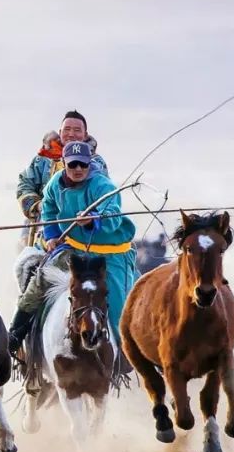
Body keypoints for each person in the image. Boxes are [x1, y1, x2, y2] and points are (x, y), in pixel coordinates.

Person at [9, 141, 138, 357]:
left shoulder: (103, 186)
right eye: (73, 164)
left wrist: (92, 220)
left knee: (117, 305)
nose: (78, 169)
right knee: (41, 278)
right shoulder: (54, 185)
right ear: (65, 164)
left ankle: (126, 355)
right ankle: (15, 335)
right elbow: (48, 211)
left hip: (110, 252)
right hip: (74, 248)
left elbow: (112, 215)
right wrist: (51, 237)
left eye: (83, 165)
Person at [16, 110, 108, 248]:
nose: (71, 134)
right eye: (67, 129)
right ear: (60, 132)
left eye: (77, 130)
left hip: (80, 225)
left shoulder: (95, 162)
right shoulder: (42, 159)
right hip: (42, 224)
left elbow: (103, 195)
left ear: (85, 135)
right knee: (27, 264)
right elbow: (25, 183)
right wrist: (38, 205)